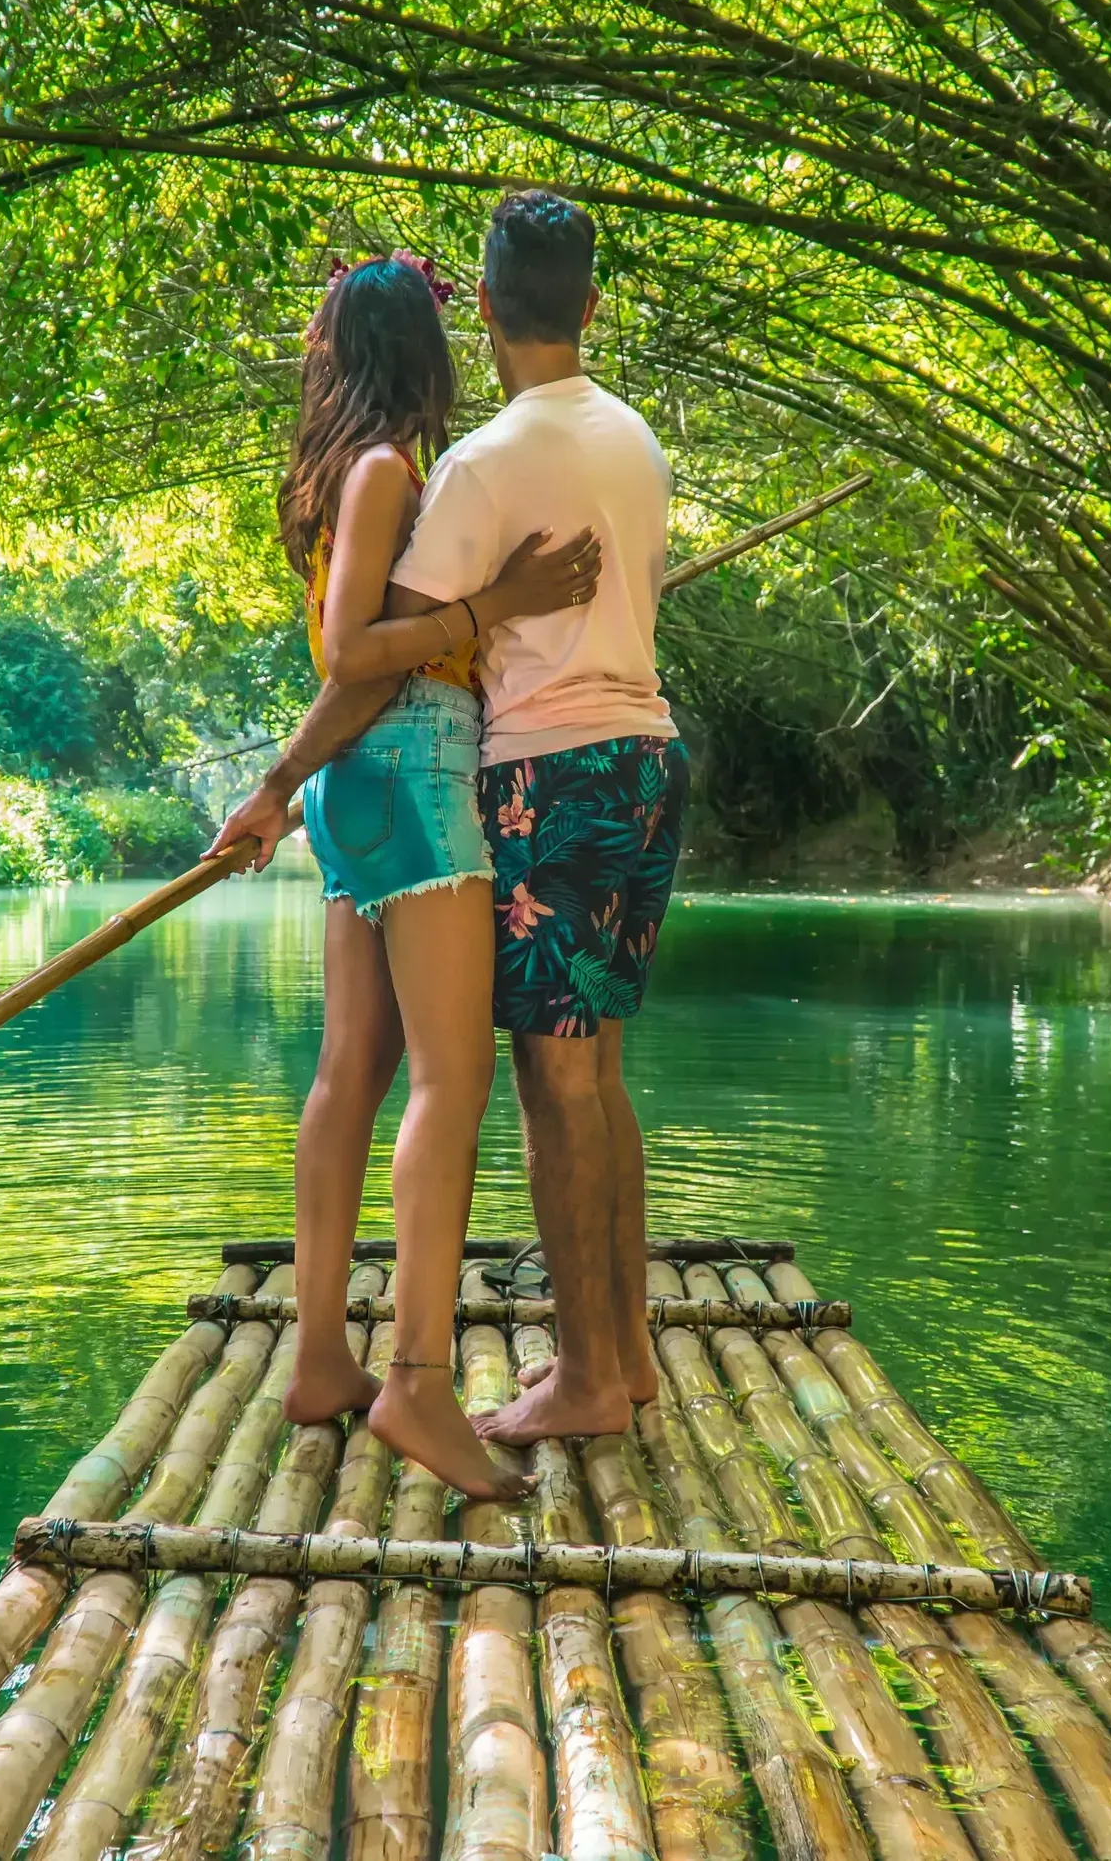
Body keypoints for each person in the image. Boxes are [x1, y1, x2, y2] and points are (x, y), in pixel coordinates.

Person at [207, 253, 599, 1500]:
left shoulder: (334, 475)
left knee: (352, 1074)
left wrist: (281, 787)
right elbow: (355, 652)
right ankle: (419, 1385)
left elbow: (340, 664)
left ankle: (322, 1357)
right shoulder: (383, 470)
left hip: (354, 789)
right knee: (452, 1078)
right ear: (414, 353)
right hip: (419, 768)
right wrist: (495, 605)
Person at [388, 191, 688, 1446]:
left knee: (555, 1079)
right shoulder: (636, 439)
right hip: (648, 757)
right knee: (600, 1071)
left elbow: (390, 637)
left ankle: (584, 1379)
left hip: (549, 771)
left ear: (489, 308)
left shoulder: (484, 462)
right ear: (592, 305)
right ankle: (623, 1356)